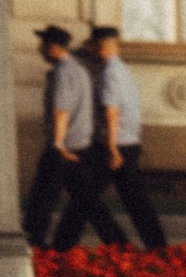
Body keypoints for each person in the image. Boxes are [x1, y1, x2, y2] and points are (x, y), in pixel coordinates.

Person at [21, 26, 122, 250]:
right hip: (79, 145)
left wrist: (57, 144)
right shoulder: (79, 70)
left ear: (53, 47)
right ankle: (118, 242)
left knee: (42, 199)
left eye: (43, 46)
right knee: (87, 201)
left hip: (64, 147)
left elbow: (61, 111)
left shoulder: (63, 73)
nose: (40, 50)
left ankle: (33, 242)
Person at [70, 26, 167, 251]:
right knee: (134, 201)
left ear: (102, 46)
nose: (91, 52)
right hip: (128, 143)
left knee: (85, 197)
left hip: (112, 146)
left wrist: (112, 149)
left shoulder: (109, 74)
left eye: (93, 47)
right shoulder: (122, 70)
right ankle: (157, 246)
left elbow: (111, 112)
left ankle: (116, 245)